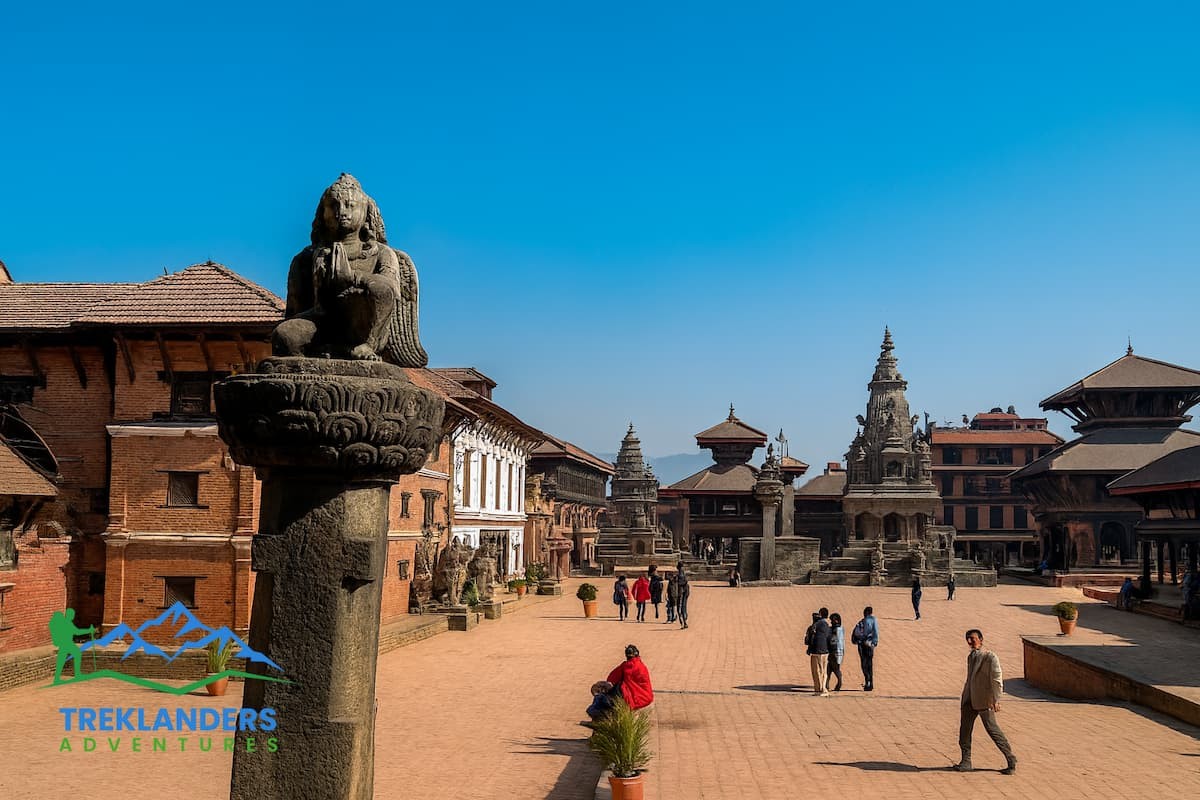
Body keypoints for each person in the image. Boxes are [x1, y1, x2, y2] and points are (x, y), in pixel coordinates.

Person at [955, 629, 1017, 775]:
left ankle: (1010, 758)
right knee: (964, 732)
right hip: (969, 699)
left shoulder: (990, 657)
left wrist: (996, 699)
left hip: (984, 700)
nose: (970, 642)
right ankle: (966, 761)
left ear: (981, 640)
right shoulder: (971, 657)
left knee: (992, 730)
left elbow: (996, 678)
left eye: (973, 639)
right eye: (968, 639)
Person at [49, 609, 95, 682]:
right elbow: (77, 632)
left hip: (64, 643)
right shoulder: (67, 623)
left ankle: (57, 678)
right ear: (69, 615)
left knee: (63, 659)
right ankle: (76, 675)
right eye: (72, 615)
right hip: (67, 643)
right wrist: (89, 630)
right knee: (75, 654)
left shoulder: (65, 622)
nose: (73, 616)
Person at [607, 644, 654, 710]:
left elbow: (611, 678)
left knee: (614, 690)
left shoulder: (625, 666)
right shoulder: (642, 666)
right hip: (647, 698)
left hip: (631, 701)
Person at [851, 606, 879, 692]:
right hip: (870, 644)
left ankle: (867, 680)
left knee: (864, 663)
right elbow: (876, 631)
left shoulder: (862, 621)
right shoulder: (874, 620)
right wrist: (874, 642)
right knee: (870, 664)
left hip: (861, 644)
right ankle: (870, 683)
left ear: (865, 613)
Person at [805, 607, 832, 696]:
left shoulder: (814, 625)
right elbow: (829, 638)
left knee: (815, 671)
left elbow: (808, 639)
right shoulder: (827, 625)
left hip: (814, 651)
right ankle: (823, 688)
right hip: (824, 651)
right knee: (823, 671)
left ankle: (817, 688)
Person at [826, 612, 845, 692]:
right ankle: (826, 685)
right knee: (829, 669)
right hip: (835, 652)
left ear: (837, 620)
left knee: (835, 669)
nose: (831, 622)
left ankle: (839, 682)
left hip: (834, 652)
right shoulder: (839, 629)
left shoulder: (836, 630)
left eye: (832, 620)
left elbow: (835, 642)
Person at [676, 562, 691, 629]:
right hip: (684, 592)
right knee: (683, 607)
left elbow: (680, 584)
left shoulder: (679, 575)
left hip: (681, 592)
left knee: (680, 607)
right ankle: (684, 621)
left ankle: (683, 622)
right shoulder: (683, 575)